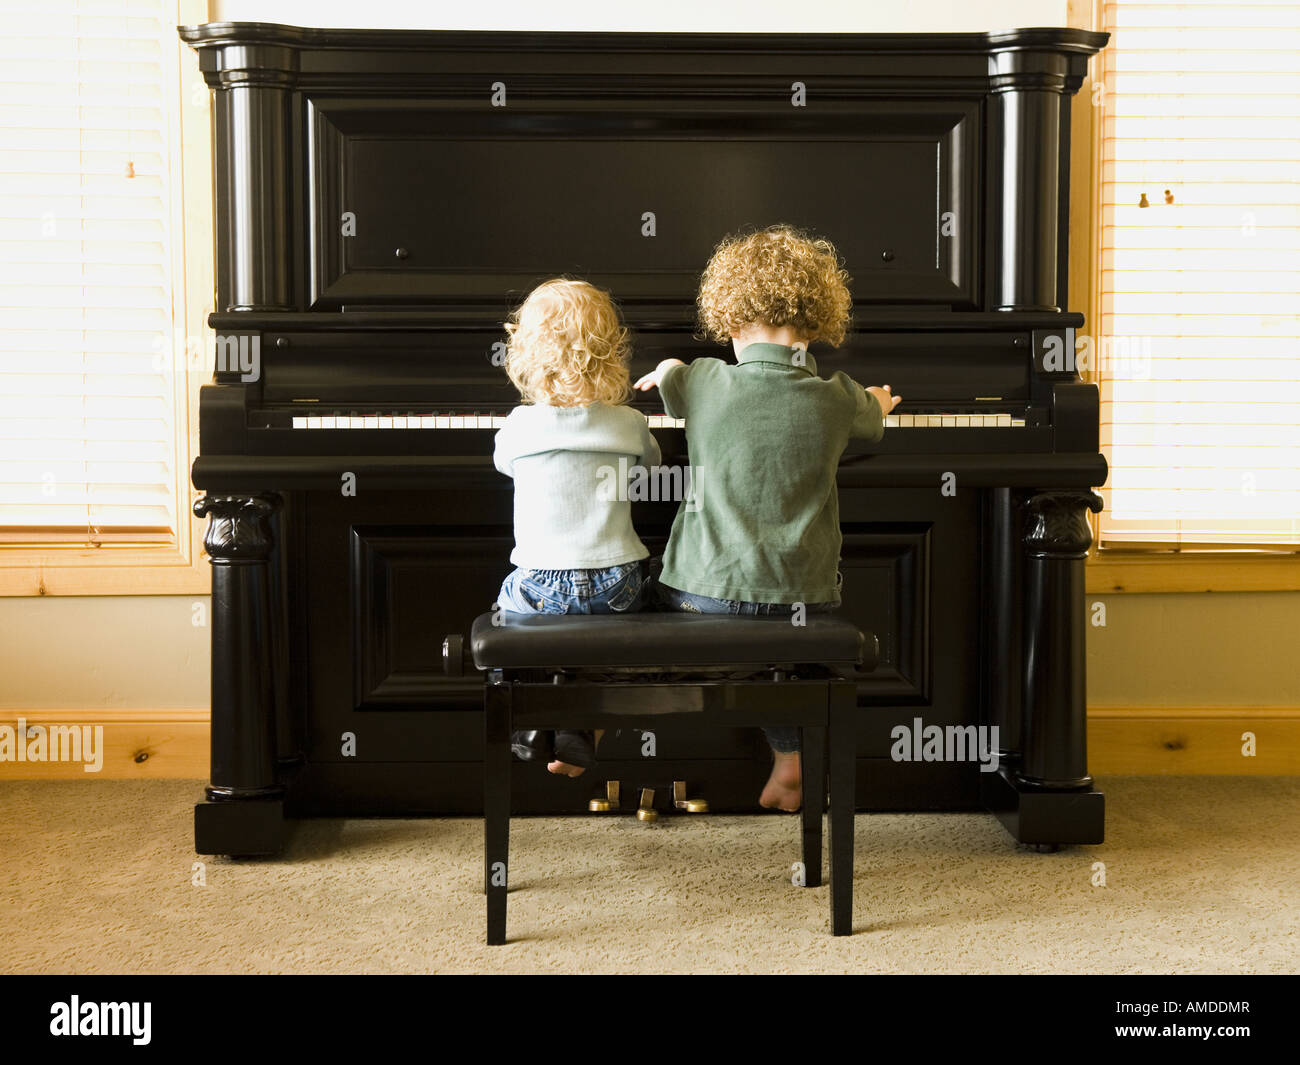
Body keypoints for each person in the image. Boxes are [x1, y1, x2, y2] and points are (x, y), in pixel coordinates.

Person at [634, 225, 902, 811]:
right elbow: (875, 419)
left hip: (701, 598)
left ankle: (589, 723)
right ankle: (789, 759)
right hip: (803, 597)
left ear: (729, 324)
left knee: (633, 597)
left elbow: (672, 379)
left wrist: (668, 365)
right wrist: (880, 399)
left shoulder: (703, 380)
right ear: (814, 327)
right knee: (786, 658)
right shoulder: (837, 395)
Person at [494, 277, 660, 777]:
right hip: (617, 581)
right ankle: (582, 725)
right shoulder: (629, 423)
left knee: (503, 617)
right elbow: (649, 467)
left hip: (538, 585)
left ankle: (531, 718)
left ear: (525, 353)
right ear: (612, 352)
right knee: (628, 639)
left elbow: (505, 465)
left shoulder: (519, 426)